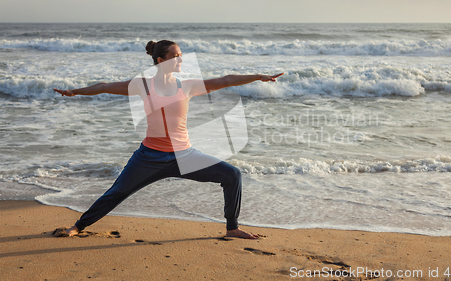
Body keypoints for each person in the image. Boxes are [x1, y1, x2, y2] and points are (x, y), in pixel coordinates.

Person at [53, 40, 283, 239]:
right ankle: (78, 226)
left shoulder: (188, 86)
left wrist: (257, 77)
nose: (181, 60)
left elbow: (225, 80)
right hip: (149, 157)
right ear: (161, 60)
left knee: (232, 175)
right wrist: (75, 92)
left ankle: (232, 229)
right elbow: (104, 87)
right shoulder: (143, 86)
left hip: (185, 155)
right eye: (176, 56)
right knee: (117, 192)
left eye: (181, 56)